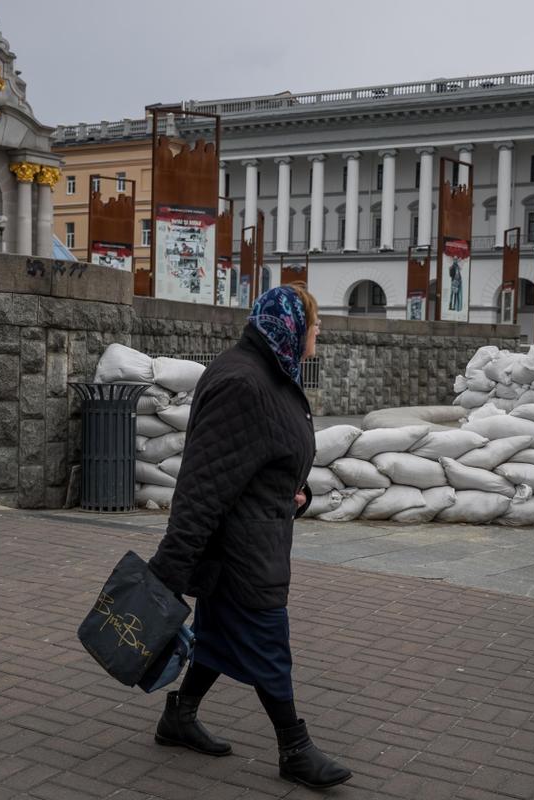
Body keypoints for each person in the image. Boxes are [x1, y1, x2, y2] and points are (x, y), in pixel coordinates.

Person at [147, 284, 353, 790]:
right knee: (267, 643)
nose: (319, 330)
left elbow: (261, 454)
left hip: (254, 535)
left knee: (219, 637)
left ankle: (179, 716)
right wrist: (169, 571)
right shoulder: (245, 382)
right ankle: (294, 746)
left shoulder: (267, 370)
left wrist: (292, 490)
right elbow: (203, 484)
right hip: (241, 550)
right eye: (314, 322)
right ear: (288, 327)